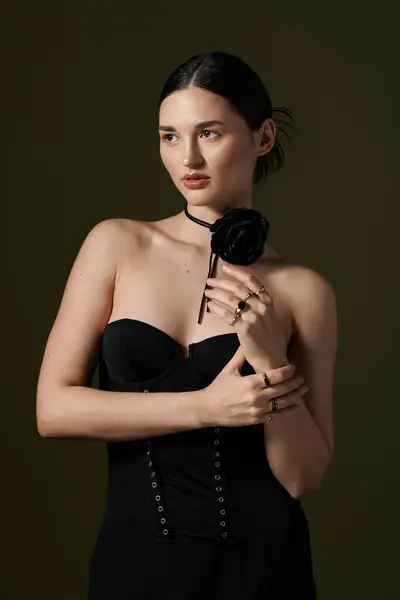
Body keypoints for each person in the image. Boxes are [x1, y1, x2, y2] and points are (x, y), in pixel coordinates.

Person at [36, 51, 337, 599]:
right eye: (169, 136)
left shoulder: (302, 289)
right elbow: (52, 410)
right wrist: (204, 408)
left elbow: (303, 477)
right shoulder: (117, 244)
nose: (187, 157)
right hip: (135, 567)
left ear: (263, 138)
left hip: (265, 571)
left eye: (209, 133)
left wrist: (270, 358)